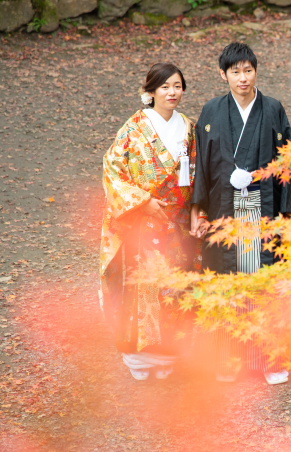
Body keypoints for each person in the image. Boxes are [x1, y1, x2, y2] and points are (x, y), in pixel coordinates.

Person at [190, 42, 291, 385]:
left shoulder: (272, 110)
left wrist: (290, 217)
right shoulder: (211, 112)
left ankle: (267, 360)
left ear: (256, 70)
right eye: (235, 72)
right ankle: (227, 360)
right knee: (226, 281)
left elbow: (289, 162)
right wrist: (197, 209)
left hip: (261, 206)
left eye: (248, 70)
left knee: (260, 280)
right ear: (222, 74)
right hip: (223, 208)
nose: (242, 78)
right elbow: (201, 168)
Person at [99, 63, 201, 381]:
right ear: (150, 92)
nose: (172, 93)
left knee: (174, 284)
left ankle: (169, 352)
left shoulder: (188, 127)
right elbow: (112, 169)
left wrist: (197, 207)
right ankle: (138, 356)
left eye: (177, 86)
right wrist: (143, 202)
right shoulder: (134, 128)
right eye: (165, 87)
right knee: (144, 286)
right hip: (144, 219)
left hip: (178, 220)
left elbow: (198, 171)